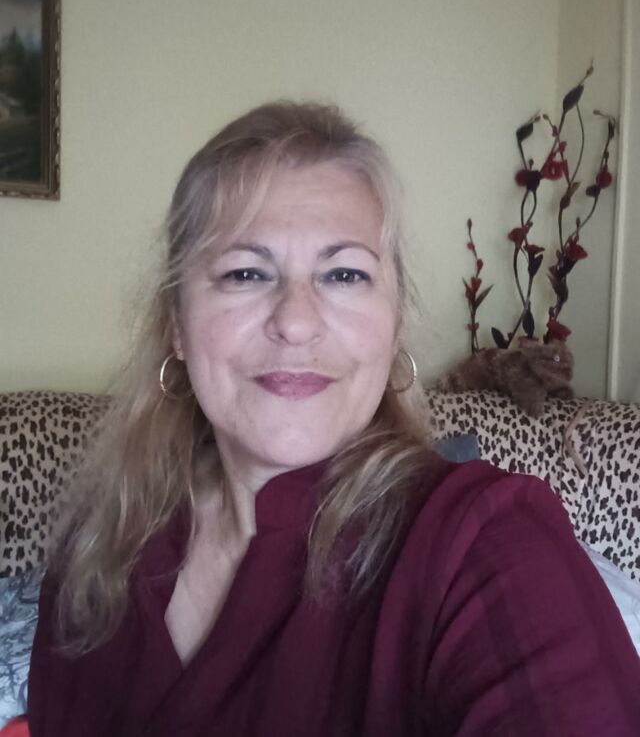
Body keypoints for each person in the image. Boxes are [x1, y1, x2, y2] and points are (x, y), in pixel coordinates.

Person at [28, 102, 640, 736]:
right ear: (177, 326)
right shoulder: (96, 553)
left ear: (393, 324)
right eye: (245, 273)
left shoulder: (485, 542)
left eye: (345, 274)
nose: (295, 322)